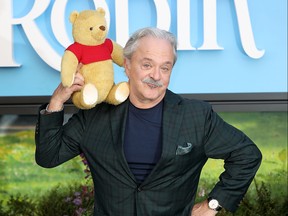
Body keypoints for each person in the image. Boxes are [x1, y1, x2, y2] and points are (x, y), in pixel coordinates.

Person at [35, 27, 262, 216]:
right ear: (126, 66)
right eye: (147, 65)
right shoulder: (95, 115)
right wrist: (57, 101)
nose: (156, 75)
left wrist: (213, 204)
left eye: (165, 67)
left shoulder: (196, 115)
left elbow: (247, 155)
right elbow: (48, 156)